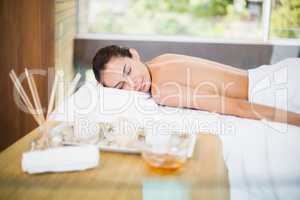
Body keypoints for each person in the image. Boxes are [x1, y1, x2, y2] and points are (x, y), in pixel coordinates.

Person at [92, 45, 300, 127]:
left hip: (277, 91)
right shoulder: (162, 58)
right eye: (121, 87)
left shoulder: (162, 91)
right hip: (277, 73)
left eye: (128, 71)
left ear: (134, 54)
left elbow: (238, 107)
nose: (132, 83)